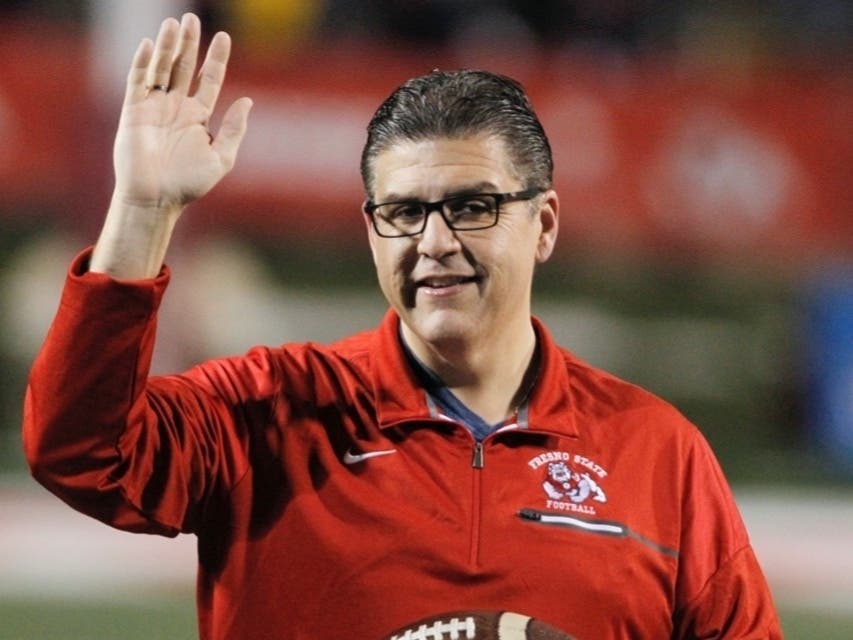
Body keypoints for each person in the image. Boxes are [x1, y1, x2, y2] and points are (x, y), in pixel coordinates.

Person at [22, 12, 781, 640]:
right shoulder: (269, 409)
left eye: (473, 207)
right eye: (404, 212)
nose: (434, 243)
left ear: (543, 224)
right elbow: (80, 451)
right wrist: (144, 213)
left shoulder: (658, 453)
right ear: (371, 230)